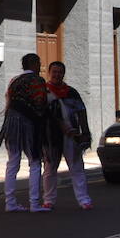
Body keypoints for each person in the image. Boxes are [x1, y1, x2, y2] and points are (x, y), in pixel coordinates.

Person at [0, 53, 49, 213]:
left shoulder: (14, 81)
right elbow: (40, 103)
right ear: (33, 64)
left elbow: (8, 101)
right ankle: (34, 203)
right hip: (29, 123)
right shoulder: (37, 81)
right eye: (39, 63)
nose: (40, 66)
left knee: (12, 163)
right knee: (34, 162)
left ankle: (10, 202)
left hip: (12, 123)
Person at [42, 60, 93, 210]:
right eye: (54, 72)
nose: (57, 75)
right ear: (49, 73)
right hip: (51, 137)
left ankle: (84, 200)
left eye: (60, 72)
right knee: (50, 169)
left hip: (72, 135)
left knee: (77, 168)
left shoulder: (72, 92)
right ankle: (48, 200)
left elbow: (81, 112)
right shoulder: (43, 92)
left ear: (64, 74)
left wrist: (86, 132)